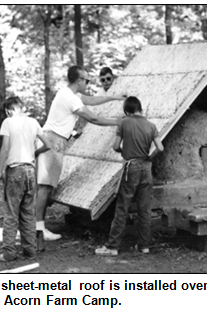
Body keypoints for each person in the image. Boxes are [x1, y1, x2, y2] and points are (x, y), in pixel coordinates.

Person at [36, 65, 126, 241]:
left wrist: (114, 97)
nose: (88, 82)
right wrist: (118, 122)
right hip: (54, 141)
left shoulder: (69, 94)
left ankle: (35, 226)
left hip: (54, 140)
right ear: (79, 80)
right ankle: (39, 229)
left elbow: (91, 100)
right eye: (86, 80)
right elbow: (93, 118)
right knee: (45, 187)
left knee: (44, 187)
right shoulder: (70, 98)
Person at [95, 96, 164, 256]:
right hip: (146, 168)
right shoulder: (151, 125)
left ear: (126, 111)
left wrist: (125, 152)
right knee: (144, 209)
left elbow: (115, 146)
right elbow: (160, 148)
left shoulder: (124, 122)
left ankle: (112, 247)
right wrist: (149, 158)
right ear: (141, 109)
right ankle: (144, 246)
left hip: (131, 167)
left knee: (122, 208)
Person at [0, 97, 52, 262]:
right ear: (21, 107)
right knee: (28, 213)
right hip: (30, 171)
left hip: (15, 171)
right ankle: (30, 251)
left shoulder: (8, 122)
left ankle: (9, 253)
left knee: (11, 213)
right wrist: (34, 153)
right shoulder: (33, 122)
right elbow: (48, 145)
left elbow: (5, 149)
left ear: (8, 110)